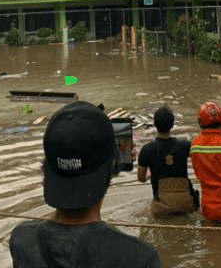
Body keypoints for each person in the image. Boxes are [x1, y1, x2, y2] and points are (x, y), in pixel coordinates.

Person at [9, 101, 162, 268]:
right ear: (112, 165)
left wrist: (108, 163)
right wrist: (111, 167)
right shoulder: (140, 258)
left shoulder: (22, 240)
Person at [137, 106, 198, 217]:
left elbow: (141, 179)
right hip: (186, 205)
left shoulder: (146, 149)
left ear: (154, 124)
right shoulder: (186, 145)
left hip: (161, 208)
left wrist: (148, 175)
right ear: (172, 124)